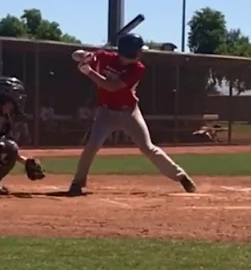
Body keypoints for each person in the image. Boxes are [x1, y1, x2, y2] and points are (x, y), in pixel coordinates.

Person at [67, 33, 197, 196]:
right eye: (138, 50)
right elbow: (75, 55)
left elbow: (112, 86)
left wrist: (89, 72)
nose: (141, 53)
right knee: (91, 147)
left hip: (129, 112)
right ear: (130, 52)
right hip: (105, 113)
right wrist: (85, 56)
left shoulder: (137, 68)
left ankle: (181, 176)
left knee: (148, 148)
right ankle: (77, 183)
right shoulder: (105, 57)